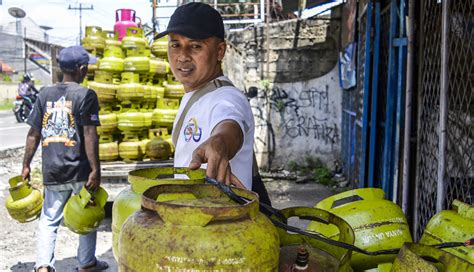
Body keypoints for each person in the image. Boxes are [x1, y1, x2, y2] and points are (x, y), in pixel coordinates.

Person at [156, 2, 271, 204]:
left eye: (195, 46)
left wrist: (220, 144)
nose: (182, 56)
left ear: (219, 51)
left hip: (222, 229)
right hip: (196, 226)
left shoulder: (227, 96)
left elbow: (229, 124)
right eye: (175, 45)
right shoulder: (194, 96)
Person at [21, 45, 108, 272]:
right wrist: (95, 169)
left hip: (53, 169)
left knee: (49, 220)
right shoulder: (86, 95)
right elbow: (90, 134)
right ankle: (87, 262)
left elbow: (33, 134)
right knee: (87, 214)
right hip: (79, 170)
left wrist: (26, 164)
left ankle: (43, 266)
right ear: (82, 69)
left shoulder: (44, 95)